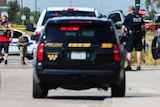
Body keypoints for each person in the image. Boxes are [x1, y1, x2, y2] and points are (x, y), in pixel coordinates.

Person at [121, 5, 144, 71]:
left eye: (128, 10)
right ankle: (139, 66)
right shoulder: (139, 16)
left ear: (130, 10)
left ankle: (129, 66)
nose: (128, 11)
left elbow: (123, 27)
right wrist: (142, 35)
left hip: (131, 35)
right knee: (138, 50)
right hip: (139, 34)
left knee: (129, 51)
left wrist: (122, 36)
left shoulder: (128, 17)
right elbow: (143, 27)